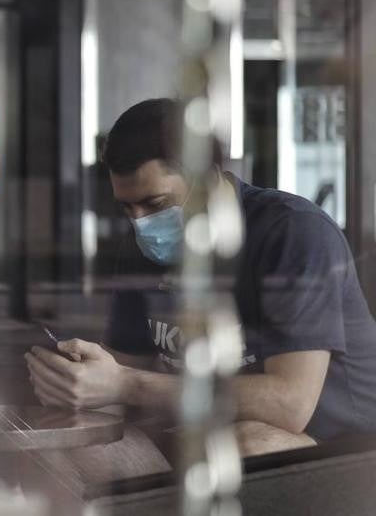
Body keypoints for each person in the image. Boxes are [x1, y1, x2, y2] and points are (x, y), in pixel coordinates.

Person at [26, 98, 376, 457]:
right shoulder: (141, 248)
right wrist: (78, 384)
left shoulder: (294, 233)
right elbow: (119, 379)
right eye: (127, 208)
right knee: (78, 446)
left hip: (343, 451)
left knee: (248, 445)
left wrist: (127, 385)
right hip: (211, 431)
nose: (140, 222)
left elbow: (289, 406)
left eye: (156, 204)